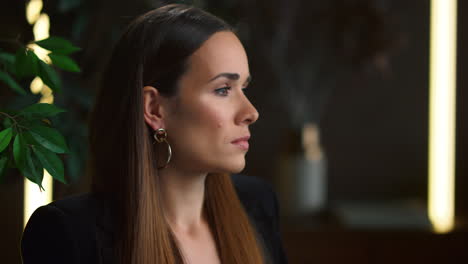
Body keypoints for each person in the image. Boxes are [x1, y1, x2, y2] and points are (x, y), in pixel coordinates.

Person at [21, 4, 288, 264]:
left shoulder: (257, 204)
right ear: (154, 108)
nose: (250, 112)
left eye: (244, 87)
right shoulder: (70, 234)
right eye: (223, 89)